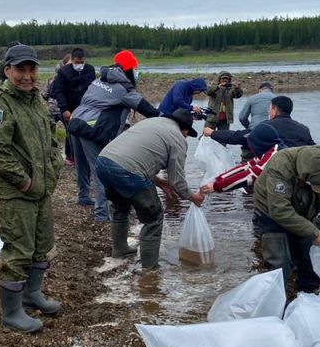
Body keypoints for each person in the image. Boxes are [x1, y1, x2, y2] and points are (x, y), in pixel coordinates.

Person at [0, 44, 64, 333]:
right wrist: (24, 180)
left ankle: (32, 293)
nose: (27, 76)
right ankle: (12, 311)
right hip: (18, 193)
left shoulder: (36, 100)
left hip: (43, 190)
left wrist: (53, 169)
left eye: (31, 69)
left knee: (42, 245)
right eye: (20, 70)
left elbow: (51, 141)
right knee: (18, 249)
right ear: (8, 70)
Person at [97, 108, 209, 270]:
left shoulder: (151, 122)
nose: (185, 137)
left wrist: (159, 182)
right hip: (127, 172)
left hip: (103, 162)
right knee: (154, 217)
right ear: (184, 129)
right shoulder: (177, 138)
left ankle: (120, 250)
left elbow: (137, 158)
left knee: (120, 208)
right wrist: (193, 197)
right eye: (186, 134)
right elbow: (177, 181)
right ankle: (150, 269)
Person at [67, 50, 158, 221]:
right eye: (135, 68)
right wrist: (166, 118)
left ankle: (83, 196)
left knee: (81, 165)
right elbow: (146, 108)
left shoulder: (99, 80)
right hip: (91, 129)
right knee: (99, 169)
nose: (136, 71)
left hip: (76, 121)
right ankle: (102, 214)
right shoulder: (123, 89)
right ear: (128, 69)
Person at [252, 145, 320, 294]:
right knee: (279, 263)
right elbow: (280, 210)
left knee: (308, 256)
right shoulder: (281, 166)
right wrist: (314, 233)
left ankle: (310, 292)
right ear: (305, 176)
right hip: (270, 212)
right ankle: (276, 301)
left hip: (304, 211)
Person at [206, 95, 315, 158]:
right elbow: (313, 148)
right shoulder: (303, 129)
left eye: (270, 108)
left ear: (275, 110)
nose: (268, 111)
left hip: (275, 168)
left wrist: (212, 133)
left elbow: (238, 137)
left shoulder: (266, 127)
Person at [53, 48, 96, 168]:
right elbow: (59, 92)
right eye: (77, 62)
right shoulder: (63, 72)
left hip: (86, 108)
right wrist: (64, 109)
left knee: (87, 131)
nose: (80, 65)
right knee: (72, 133)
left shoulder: (90, 70)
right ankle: (73, 157)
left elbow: (93, 88)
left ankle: (86, 157)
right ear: (72, 60)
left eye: (82, 62)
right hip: (69, 108)